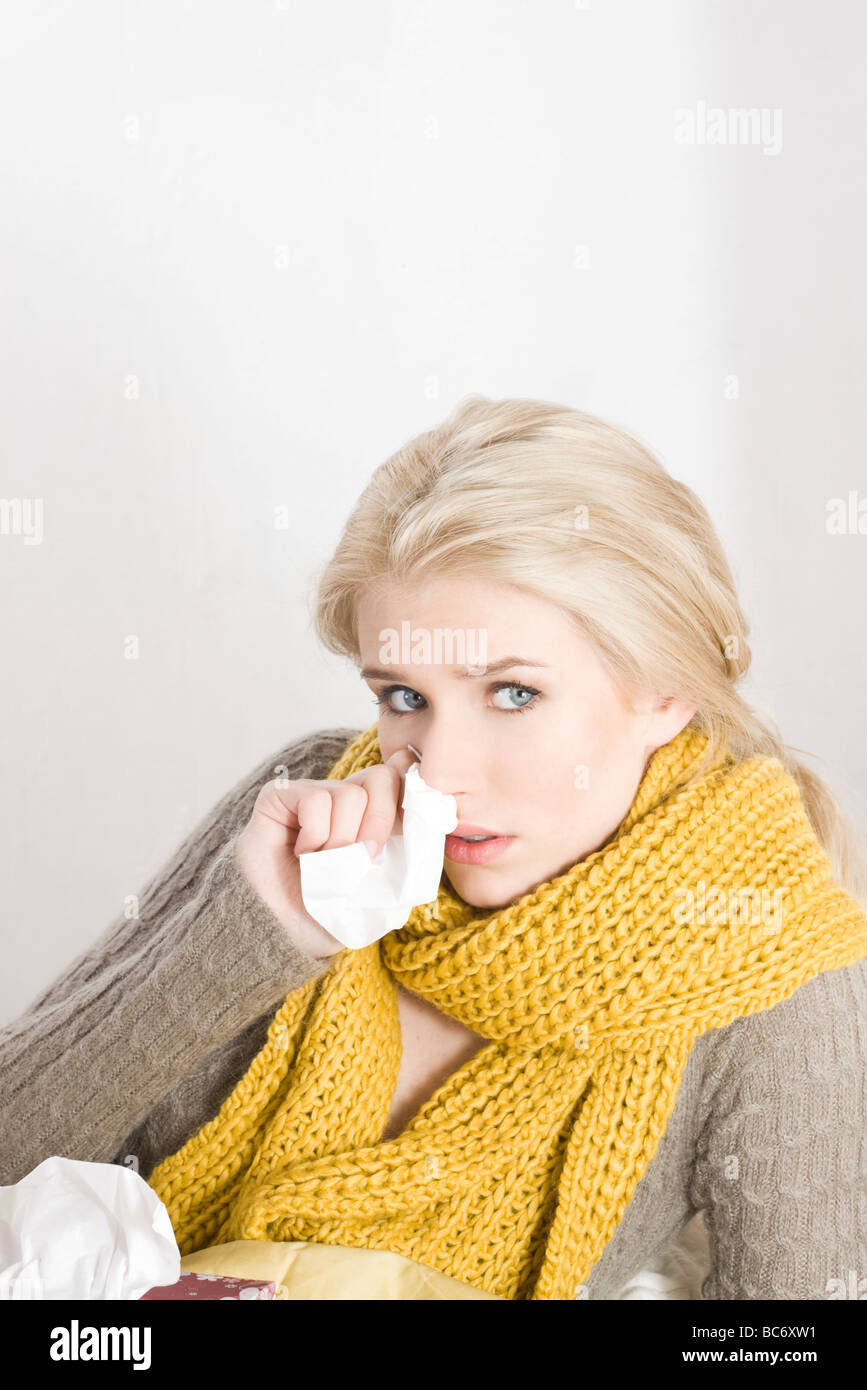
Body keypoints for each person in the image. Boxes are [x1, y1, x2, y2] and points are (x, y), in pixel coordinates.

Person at [2, 395, 865, 1301]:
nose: (437, 772)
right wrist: (251, 937)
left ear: (665, 689)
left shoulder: (778, 979)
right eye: (402, 697)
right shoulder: (308, 815)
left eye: (513, 694)